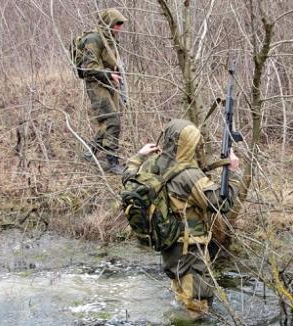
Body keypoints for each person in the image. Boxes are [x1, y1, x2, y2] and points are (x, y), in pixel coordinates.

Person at [122, 119, 240, 315]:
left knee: (181, 293)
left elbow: (128, 177)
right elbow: (222, 204)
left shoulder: (151, 164)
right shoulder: (189, 175)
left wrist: (139, 155)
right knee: (196, 306)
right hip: (190, 249)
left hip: (167, 243)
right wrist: (233, 172)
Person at [81, 8, 128, 174]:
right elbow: (89, 67)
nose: (120, 27)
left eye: (121, 24)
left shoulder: (111, 39)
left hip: (110, 82)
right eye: (117, 24)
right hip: (96, 84)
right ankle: (112, 162)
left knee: (106, 123)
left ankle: (89, 154)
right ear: (109, 23)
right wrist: (109, 74)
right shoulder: (94, 39)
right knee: (113, 121)